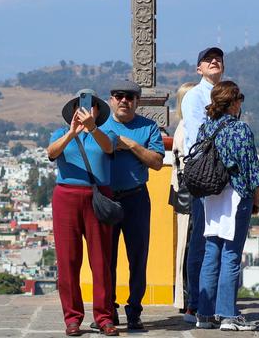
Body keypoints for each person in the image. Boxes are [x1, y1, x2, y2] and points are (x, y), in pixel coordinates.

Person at [48, 89, 119, 337]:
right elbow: (51, 153)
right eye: (81, 105)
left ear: (98, 111)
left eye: (91, 106)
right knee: (68, 261)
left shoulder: (107, 133)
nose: (86, 109)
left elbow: (109, 148)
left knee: (101, 260)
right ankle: (72, 318)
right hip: (66, 197)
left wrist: (92, 128)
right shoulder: (60, 133)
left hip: (98, 196)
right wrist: (71, 133)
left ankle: (104, 317)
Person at [195, 81, 259, 332]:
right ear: (233, 102)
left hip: (211, 197)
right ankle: (227, 315)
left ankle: (204, 312)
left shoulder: (205, 128)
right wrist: (256, 199)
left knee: (211, 252)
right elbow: (252, 170)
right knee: (231, 254)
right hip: (236, 196)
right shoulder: (241, 130)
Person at [99, 80, 164, 331]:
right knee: (106, 258)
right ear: (111, 99)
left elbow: (157, 162)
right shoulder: (100, 126)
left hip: (136, 197)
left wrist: (132, 145)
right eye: (118, 96)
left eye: (129, 96)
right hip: (106, 198)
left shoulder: (148, 127)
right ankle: (108, 310)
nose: (124, 100)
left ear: (137, 101)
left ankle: (134, 311)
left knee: (138, 257)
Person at [181, 46, 225, 323]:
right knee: (200, 238)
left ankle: (216, 302)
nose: (214, 62)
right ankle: (194, 302)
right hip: (203, 173)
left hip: (222, 174)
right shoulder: (194, 97)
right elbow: (201, 133)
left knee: (220, 239)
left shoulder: (227, 94)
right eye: (208, 60)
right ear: (199, 69)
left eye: (218, 59)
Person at [170, 81, 197, 314]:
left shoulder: (183, 126)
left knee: (188, 247)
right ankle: (188, 296)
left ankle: (188, 295)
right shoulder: (187, 128)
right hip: (189, 194)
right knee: (190, 247)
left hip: (183, 193)